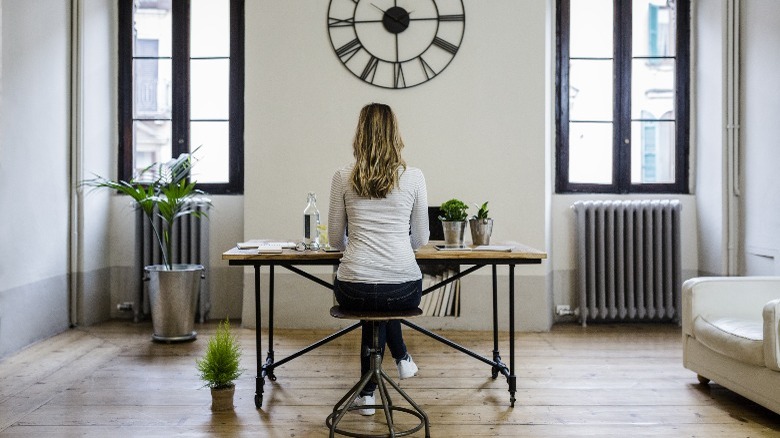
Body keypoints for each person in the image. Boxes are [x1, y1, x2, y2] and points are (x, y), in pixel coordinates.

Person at [328, 103, 429, 416]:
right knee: (385, 299)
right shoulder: (413, 177)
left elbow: (334, 240)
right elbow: (421, 239)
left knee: (373, 304)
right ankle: (400, 358)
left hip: (353, 287)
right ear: (395, 134)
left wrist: (360, 247)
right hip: (403, 287)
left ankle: (368, 393)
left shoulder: (343, 176)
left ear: (360, 134)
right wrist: (396, 247)